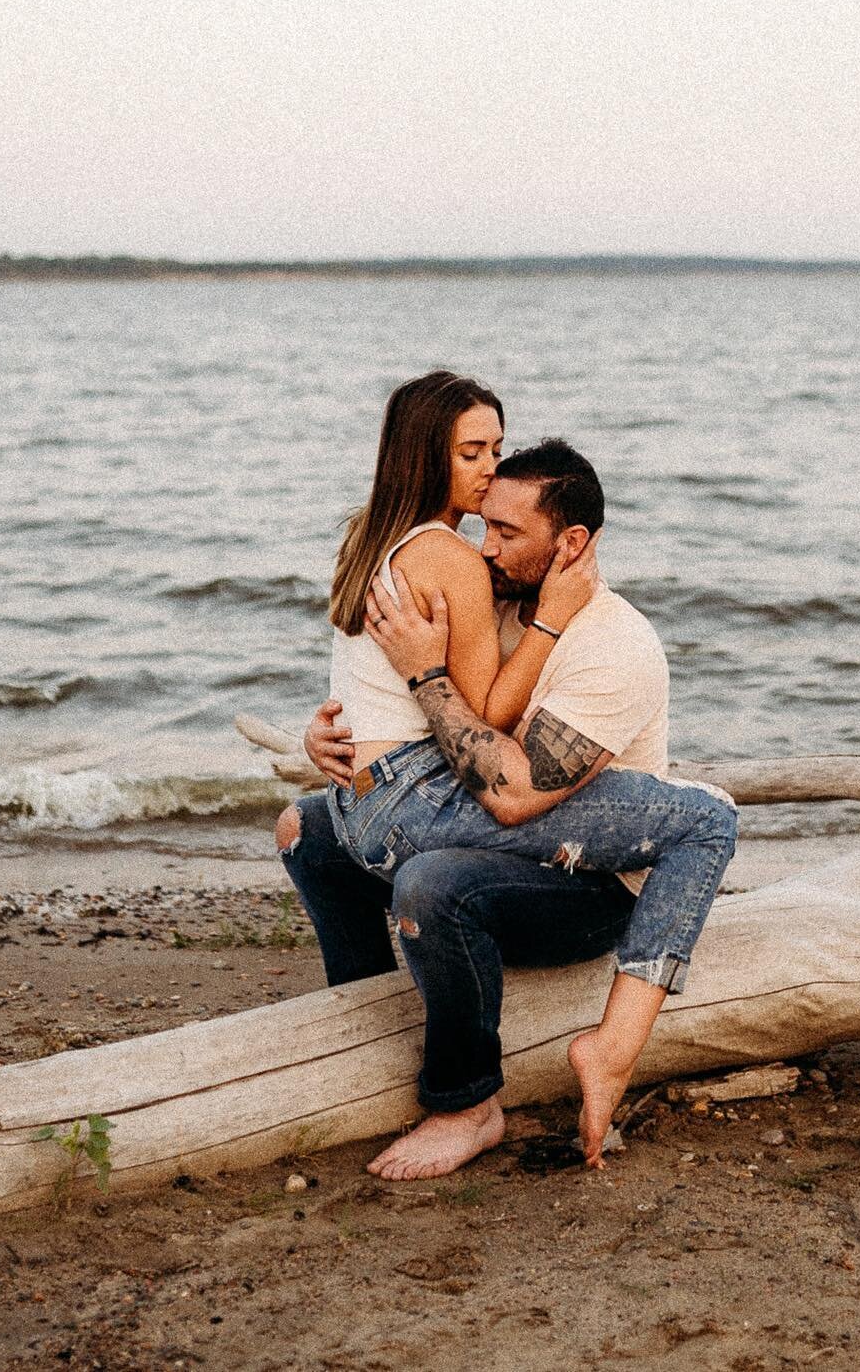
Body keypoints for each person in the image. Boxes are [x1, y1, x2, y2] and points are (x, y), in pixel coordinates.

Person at [277, 382, 735, 1174]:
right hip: (423, 802)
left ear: (569, 543)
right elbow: (466, 703)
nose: (487, 508)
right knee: (306, 835)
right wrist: (324, 734)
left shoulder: (612, 642)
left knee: (427, 877)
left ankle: (491, 1094)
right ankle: (365, 1017)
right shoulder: (481, 576)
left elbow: (511, 790)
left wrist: (424, 679)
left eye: (506, 523)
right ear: (427, 457)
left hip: (582, 888)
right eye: (473, 457)